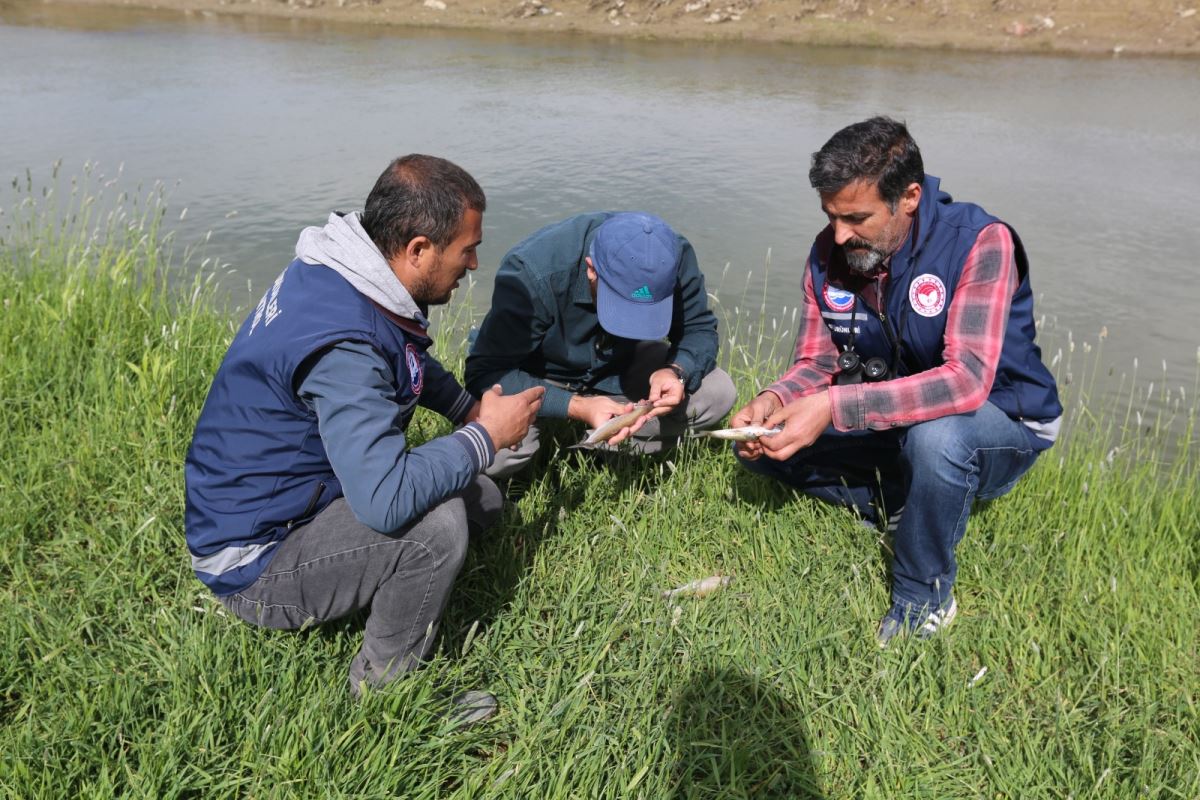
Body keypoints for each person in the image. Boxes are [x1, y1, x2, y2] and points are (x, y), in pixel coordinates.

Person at [184, 155, 544, 716]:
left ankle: (389, 588)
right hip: (254, 562)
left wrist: (469, 410)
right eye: (466, 249)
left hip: (293, 505)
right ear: (419, 249)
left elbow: (403, 354)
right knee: (435, 524)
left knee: (484, 499)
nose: (474, 263)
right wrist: (485, 437)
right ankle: (388, 692)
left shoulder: (349, 269)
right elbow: (384, 500)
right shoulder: (345, 348)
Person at [731, 117, 1062, 646]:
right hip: (898, 412)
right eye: (830, 216)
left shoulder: (980, 243)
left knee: (940, 439)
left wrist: (835, 409)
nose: (838, 235)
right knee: (769, 446)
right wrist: (774, 401)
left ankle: (924, 597)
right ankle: (900, 501)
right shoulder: (829, 252)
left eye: (855, 218)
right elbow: (818, 362)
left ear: (908, 197)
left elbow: (965, 383)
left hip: (1001, 423)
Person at [464, 211, 736, 478]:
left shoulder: (670, 258)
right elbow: (486, 371)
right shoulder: (532, 271)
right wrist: (577, 406)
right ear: (591, 269)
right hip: (539, 375)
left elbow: (698, 328)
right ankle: (571, 429)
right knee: (498, 457)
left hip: (619, 365)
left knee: (718, 393)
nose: (632, 321)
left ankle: (602, 441)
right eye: (621, 308)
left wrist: (675, 370)